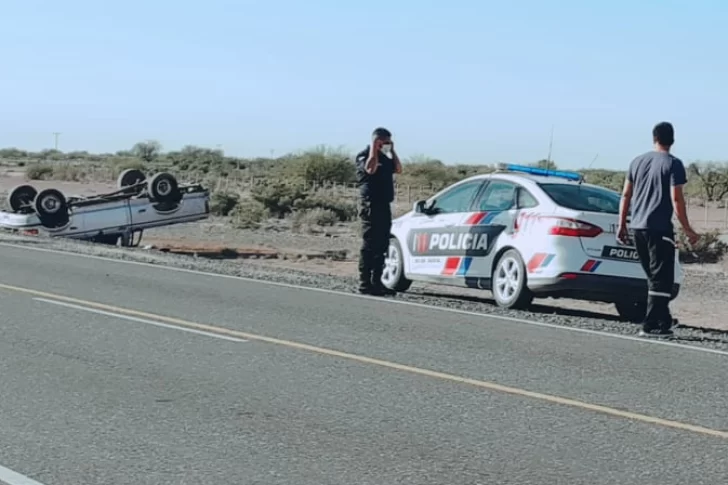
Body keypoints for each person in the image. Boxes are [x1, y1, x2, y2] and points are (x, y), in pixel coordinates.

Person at [618, 121, 700, 338]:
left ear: (654, 138)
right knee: (661, 277)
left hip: (638, 228)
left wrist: (621, 224)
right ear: (672, 140)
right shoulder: (673, 164)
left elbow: (626, 194)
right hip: (659, 228)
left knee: (653, 277)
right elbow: (676, 198)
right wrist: (688, 229)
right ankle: (651, 324)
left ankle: (663, 319)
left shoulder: (637, 162)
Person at [354, 127, 402, 295]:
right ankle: (365, 283)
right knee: (370, 245)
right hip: (370, 205)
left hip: (384, 205)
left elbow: (398, 169)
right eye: (384, 142)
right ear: (377, 141)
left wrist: (392, 151)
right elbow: (370, 169)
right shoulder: (364, 156)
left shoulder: (386, 158)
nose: (386, 145)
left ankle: (377, 282)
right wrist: (374, 148)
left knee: (382, 244)